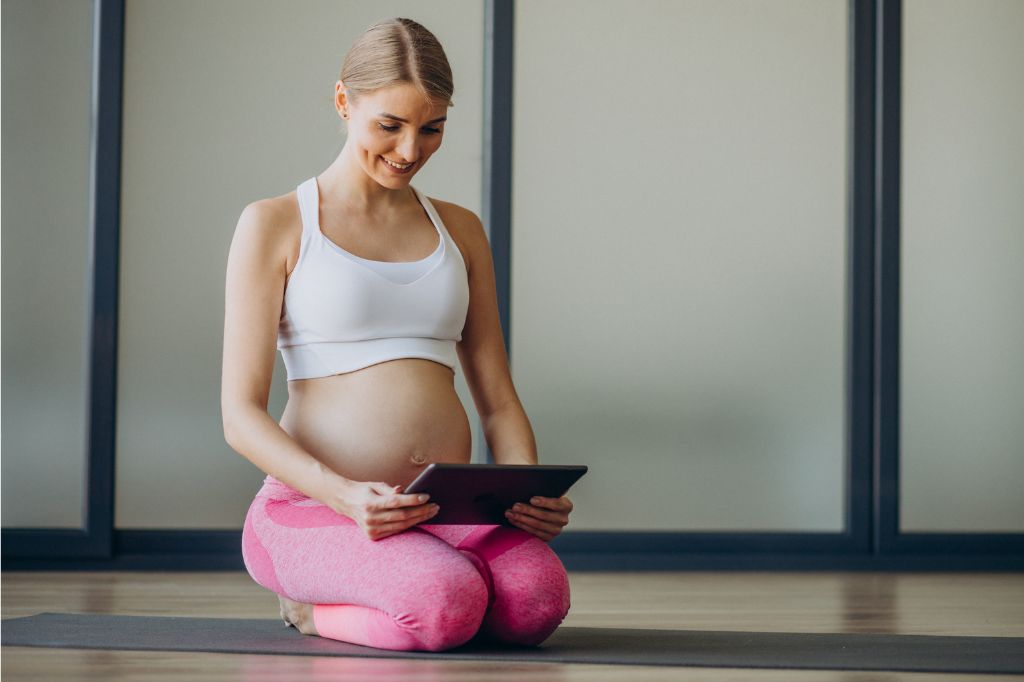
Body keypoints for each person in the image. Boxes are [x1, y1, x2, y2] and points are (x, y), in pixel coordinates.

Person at [220, 17, 574, 652]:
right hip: (315, 510)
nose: (411, 149)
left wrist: (523, 490)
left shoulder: (460, 230)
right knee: (445, 603)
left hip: (443, 511)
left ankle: (423, 587)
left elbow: (496, 398)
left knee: (536, 600)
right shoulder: (274, 223)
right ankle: (308, 608)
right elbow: (239, 415)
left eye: (432, 127)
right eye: (390, 125)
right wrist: (344, 494)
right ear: (343, 103)